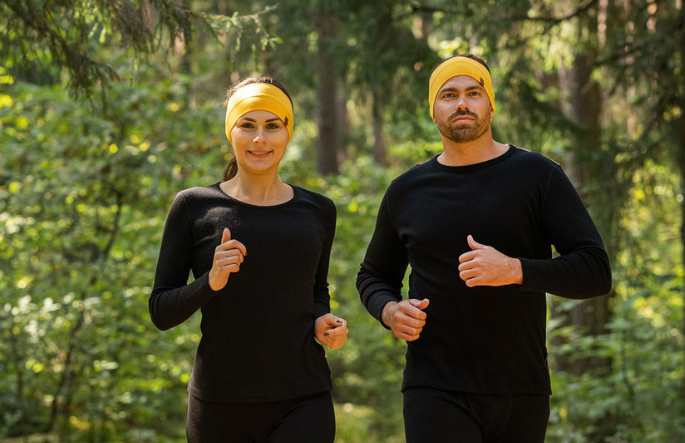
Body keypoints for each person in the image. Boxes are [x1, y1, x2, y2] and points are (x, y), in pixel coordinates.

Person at [356, 54, 612, 443]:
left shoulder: (538, 176)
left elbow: (595, 271)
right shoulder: (407, 191)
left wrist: (515, 270)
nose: (462, 103)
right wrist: (389, 311)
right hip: (434, 386)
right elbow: (373, 276)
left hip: (520, 388)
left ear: (490, 105)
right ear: (433, 110)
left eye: (474, 93)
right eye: (449, 94)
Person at [149, 76, 348, 443]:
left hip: (304, 397)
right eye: (247, 125)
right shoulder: (194, 207)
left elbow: (316, 290)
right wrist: (210, 281)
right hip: (220, 403)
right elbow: (161, 311)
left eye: (273, 126)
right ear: (231, 132)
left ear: (288, 133)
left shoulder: (318, 210)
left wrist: (323, 318)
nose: (260, 138)